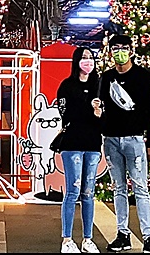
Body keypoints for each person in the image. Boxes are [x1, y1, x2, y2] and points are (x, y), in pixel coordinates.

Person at [100, 33, 150, 254]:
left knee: (140, 188)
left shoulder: (144, 78)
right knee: (118, 188)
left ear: (131, 50)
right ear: (110, 52)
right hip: (111, 140)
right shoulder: (106, 78)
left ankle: (149, 237)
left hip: (135, 140)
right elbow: (100, 107)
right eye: (115, 48)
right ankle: (122, 234)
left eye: (124, 47)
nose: (120, 52)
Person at [55, 47, 103, 254]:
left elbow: (102, 115)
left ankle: (87, 239)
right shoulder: (67, 86)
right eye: (84, 58)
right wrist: (89, 109)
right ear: (76, 62)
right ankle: (67, 239)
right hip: (72, 143)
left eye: (91, 58)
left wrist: (98, 112)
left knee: (88, 193)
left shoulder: (99, 86)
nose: (88, 62)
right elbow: (66, 114)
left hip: (93, 144)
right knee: (72, 191)